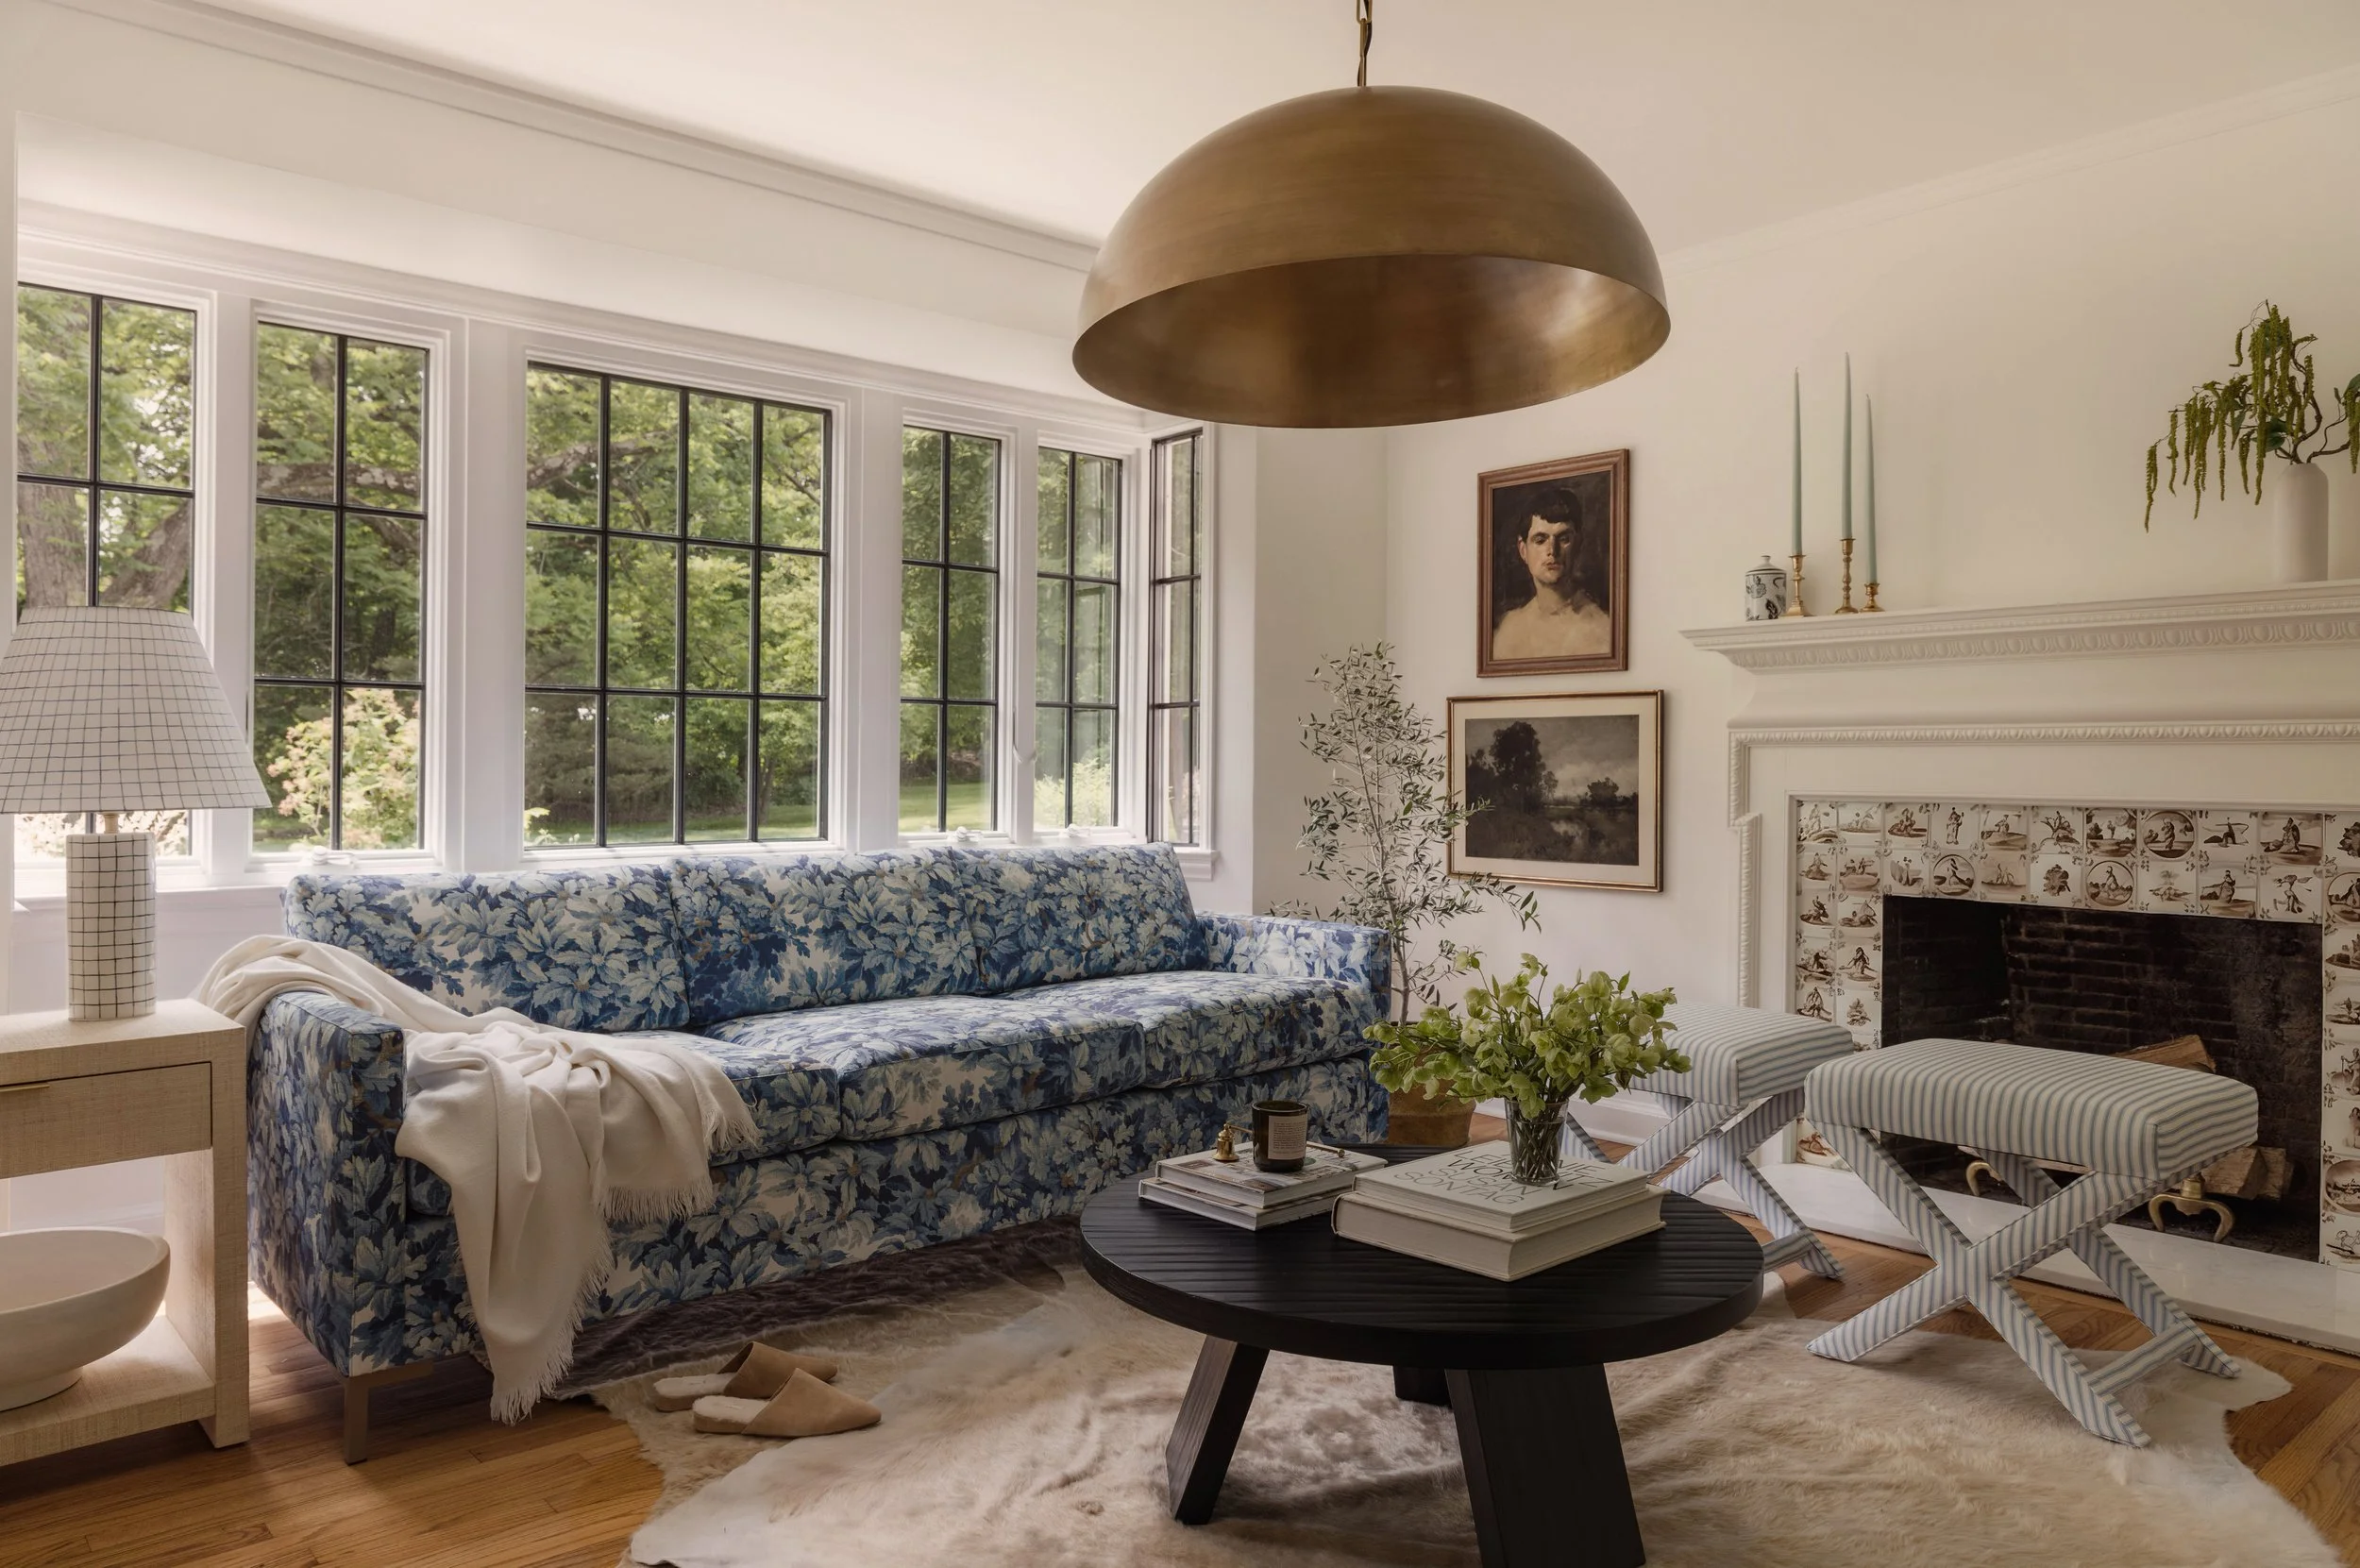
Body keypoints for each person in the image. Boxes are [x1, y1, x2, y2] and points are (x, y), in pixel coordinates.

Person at [1491, 490, 1608, 660]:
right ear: (1523, 550)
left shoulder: (1601, 628)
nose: (1552, 551)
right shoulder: (1509, 628)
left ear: (1578, 544)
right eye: (1540, 540)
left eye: (1563, 539)